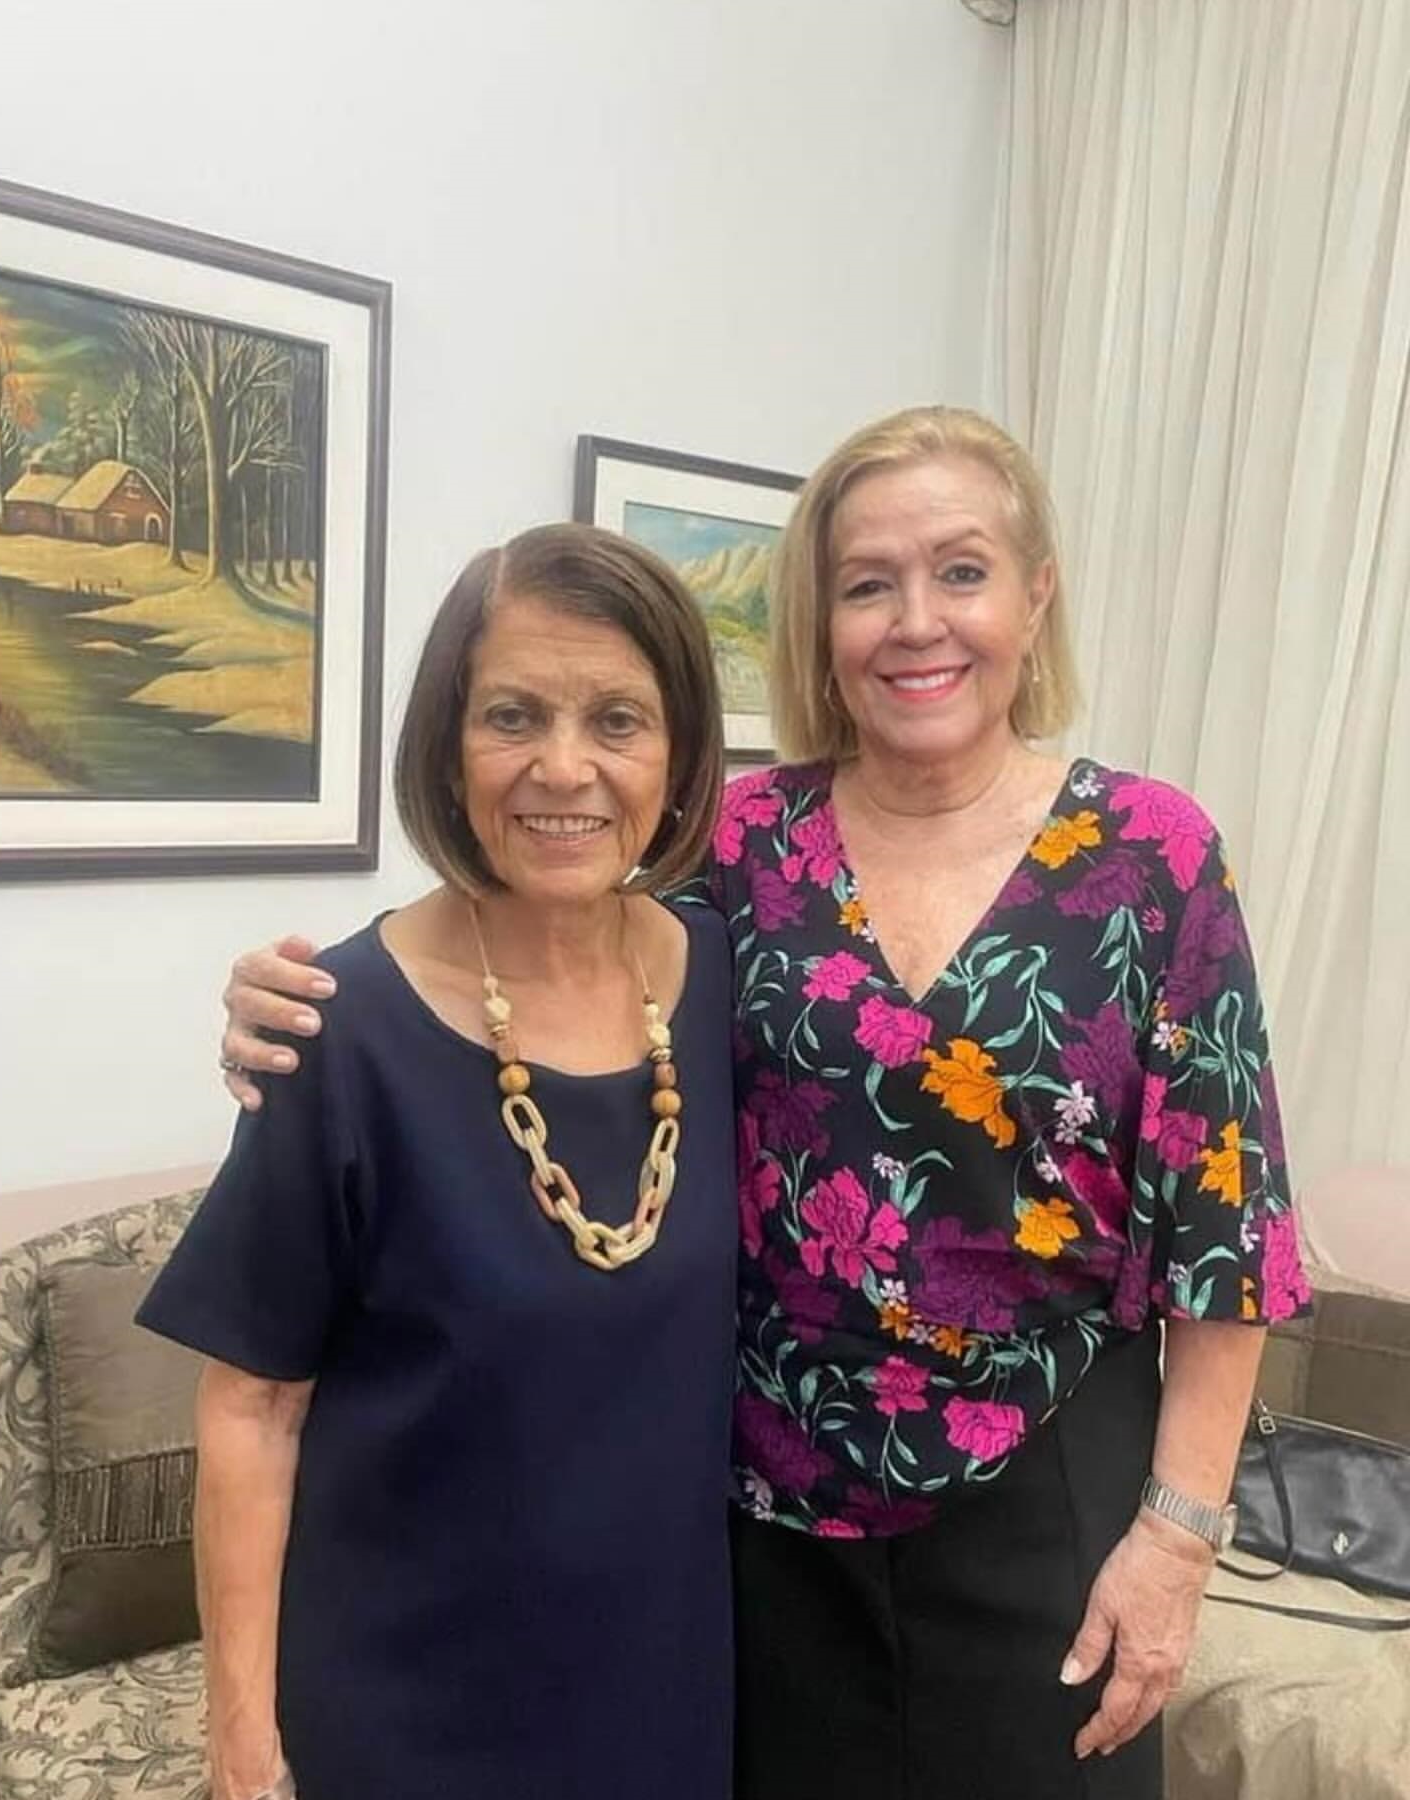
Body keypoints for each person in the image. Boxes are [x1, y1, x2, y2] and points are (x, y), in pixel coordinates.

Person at [218, 407, 1311, 1800]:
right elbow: (547, 938)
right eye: (868, 585)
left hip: (1049, 1505)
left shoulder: (1155, 856)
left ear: (1036, 596)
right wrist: (298, 1002)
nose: (916, 622)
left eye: (961, 572)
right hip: (767, 1536)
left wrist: (1180, 1536)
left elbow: (1228, 1229)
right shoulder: (742, 846)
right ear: (821, 623)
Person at [141, 524, 738, 1800]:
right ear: (447, 745)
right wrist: (241, 1744)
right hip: (406, 1712)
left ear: (682, 751)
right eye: (511, 715)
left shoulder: (731, 982)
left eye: (618, 720)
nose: (563, 768)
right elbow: (251, 1409)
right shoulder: (338, 1029)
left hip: (668, 1690)